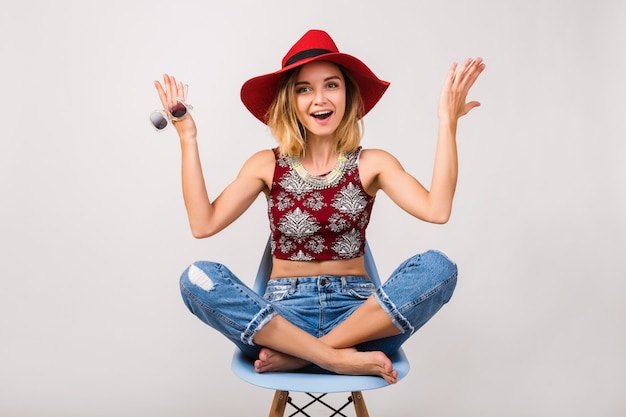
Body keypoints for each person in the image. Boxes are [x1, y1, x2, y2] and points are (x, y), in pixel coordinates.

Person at [153, 29, 484, 384]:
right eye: (304, 89)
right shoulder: (265, 165)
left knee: (439, 268)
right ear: (290, 101)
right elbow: (204, 224)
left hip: (361, 318)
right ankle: (334, 358)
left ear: (347, 95)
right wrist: (188, 137)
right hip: (280, 319)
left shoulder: (373, 163)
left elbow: (437, 210)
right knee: (196, 279)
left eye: (331, 85)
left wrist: (447, 123)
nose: (319, 99)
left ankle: (307, 355)